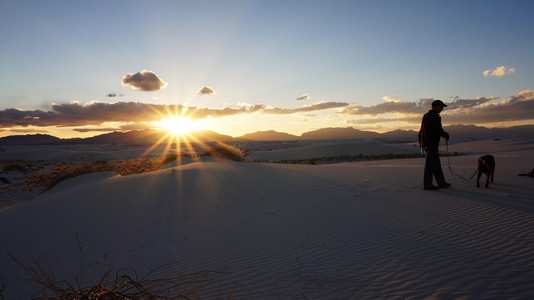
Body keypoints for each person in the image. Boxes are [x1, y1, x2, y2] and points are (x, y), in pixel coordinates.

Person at [418, 100, 451, 190]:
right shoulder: (434, 116)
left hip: (428, 143)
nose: (442, 109)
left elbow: (421, 130)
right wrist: (445, 135)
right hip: (431, 143)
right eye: (441, 107)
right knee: (430, 165)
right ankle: (428, 185)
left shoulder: (426, 116)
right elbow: (437, 129)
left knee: (436, 164)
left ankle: (441, 182)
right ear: (435, 106)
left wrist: (421, 141)